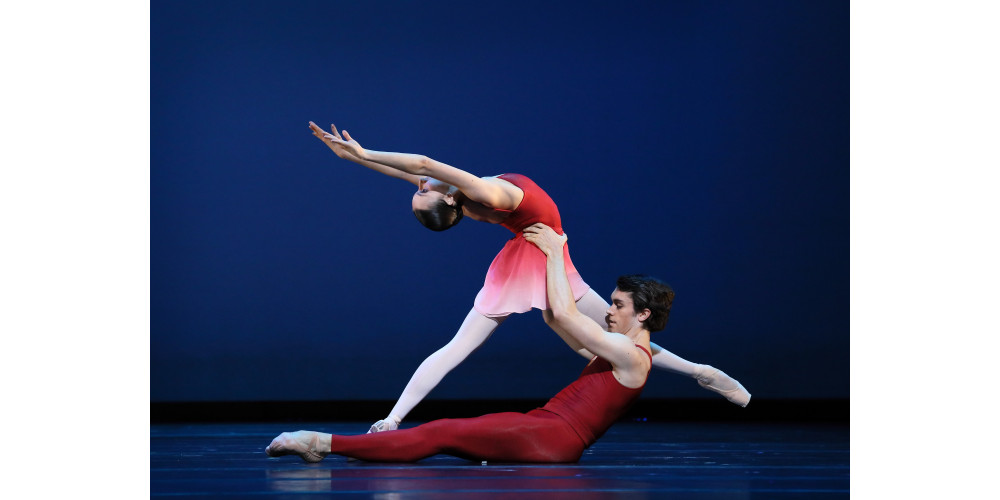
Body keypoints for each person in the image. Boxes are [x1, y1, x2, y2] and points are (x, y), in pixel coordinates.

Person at [308, 121, 750, 433]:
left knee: (603, 335)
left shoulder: (465, 198)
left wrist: (356, 158)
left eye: (420, 190)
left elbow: (410, 168)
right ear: (444, 201)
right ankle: (394, 418)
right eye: (422, 191)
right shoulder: (481, 192)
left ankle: (699, 371)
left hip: (538, 243)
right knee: (579, 335)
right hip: (541, 245)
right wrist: (363, 154)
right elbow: (420, 162)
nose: (420, 186)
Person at [265, 223, 672, 463]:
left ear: (643, 315)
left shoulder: (629, 355)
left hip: (553, 437)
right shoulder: (622, 350)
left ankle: (321, 442)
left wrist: (553, 253)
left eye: (617, 306)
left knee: (441, 431)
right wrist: (535, 266)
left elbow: (566, 315)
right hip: (546, 429)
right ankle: (351, 445)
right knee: (451, 434)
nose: (608, 312)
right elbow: (554, 317)